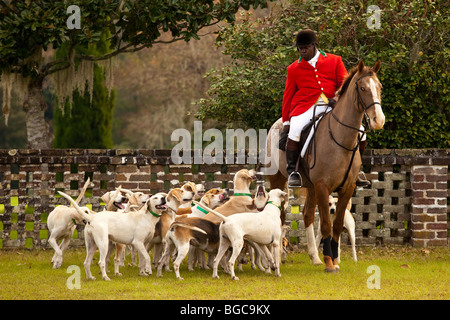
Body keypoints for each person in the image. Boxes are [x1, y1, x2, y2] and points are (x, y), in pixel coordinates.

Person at [281, 29, 370, 187]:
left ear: (315, 45)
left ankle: (358, 169)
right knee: (295, 130)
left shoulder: (334, 60)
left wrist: (336, 97)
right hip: (305, 106)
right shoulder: (293, 68)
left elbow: (344, 84)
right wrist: (286, 121)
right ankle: (293, 172)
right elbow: (288, 96)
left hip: (331, 104)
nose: (302, 52)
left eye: (305, 48)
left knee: (361, 132)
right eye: (299, 49)